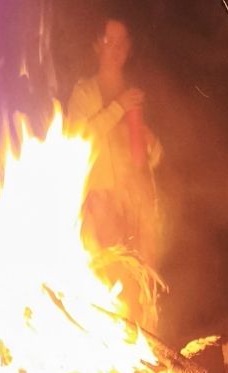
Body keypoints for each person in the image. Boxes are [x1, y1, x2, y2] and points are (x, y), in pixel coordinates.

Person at [66, 15, 163, 329]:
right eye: (110, 41)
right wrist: (117, 108)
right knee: (107, 280)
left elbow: (151, 159)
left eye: (123, 42)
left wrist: (152, 145)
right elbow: (77, 139)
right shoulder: (84, 92)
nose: (116, 48)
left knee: (139, 281)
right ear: (97, 46)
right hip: (102, 201)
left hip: (137, 203)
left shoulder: (136, 94)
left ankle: (140, 354)